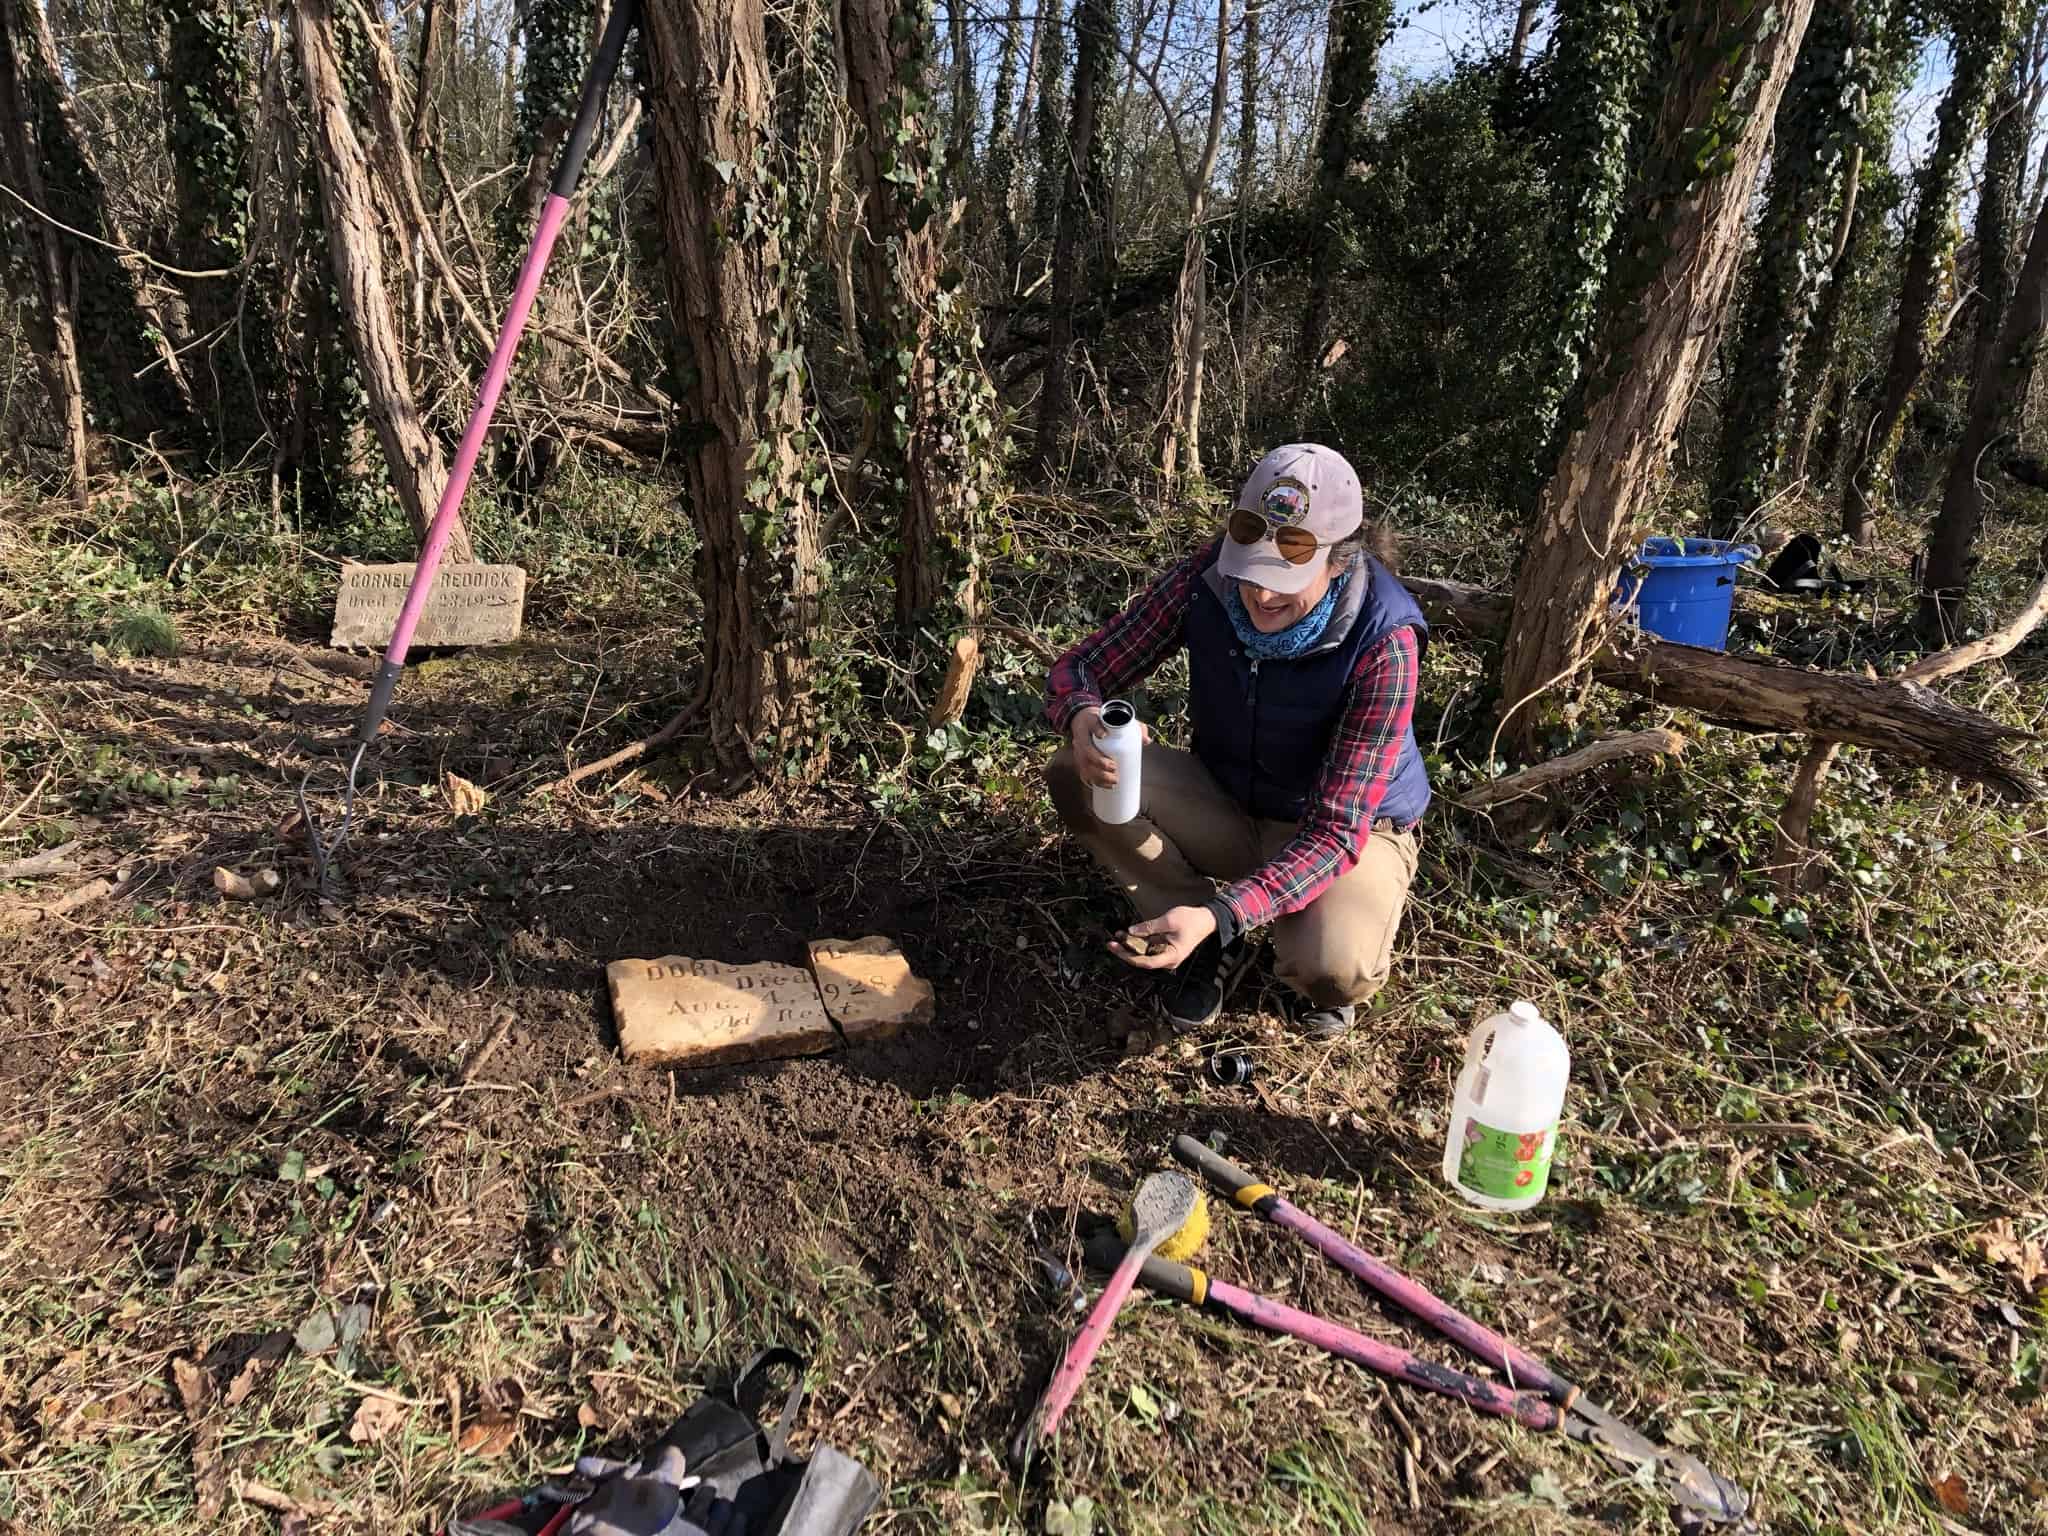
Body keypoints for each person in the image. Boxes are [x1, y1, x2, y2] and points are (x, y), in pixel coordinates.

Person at [1043, 443, 1430, 1040]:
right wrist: (1082, 713)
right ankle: (1194, 933)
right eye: (1251, 572)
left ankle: (1237, 927)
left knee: (1333, 970)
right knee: (1075, 771)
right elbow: (1086, 664)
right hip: (1229, 796)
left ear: (1340, 560)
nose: (1261, 596)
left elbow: (1334, 833)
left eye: (1286, 579)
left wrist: (1225, 913)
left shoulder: (1385, 642)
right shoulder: (1209, 580)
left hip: (1344, 828)